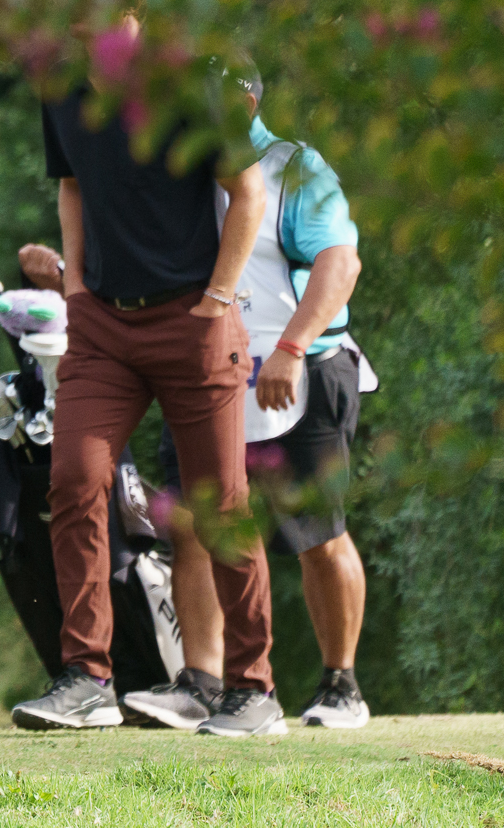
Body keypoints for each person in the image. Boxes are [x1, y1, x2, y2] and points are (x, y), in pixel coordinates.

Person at [9, 7, 285, 739]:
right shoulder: (60, 85)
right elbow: (72, 185)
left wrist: (218, 299)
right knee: (74, 478)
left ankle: (254, 689)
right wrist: (74, 290)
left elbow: (249, 192)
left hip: (194, 318)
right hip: (103, 324)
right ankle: (88, 679)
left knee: (220, 503)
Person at [119, 67, 374, 730]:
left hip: (301, 370)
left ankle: (341, 685)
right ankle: (202, 683)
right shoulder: (180, 169)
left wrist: (292, 347)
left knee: (317, 533)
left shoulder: (296, 168)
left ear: (245, 99)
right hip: (207, 372)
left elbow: (340, 263)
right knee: (197, 526)